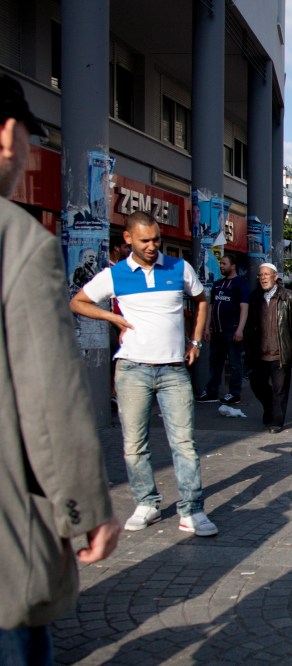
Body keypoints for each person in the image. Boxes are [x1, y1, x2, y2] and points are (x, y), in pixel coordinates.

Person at [0, 72, 121, 664]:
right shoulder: (17, 242)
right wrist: (87, 507)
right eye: (28, 138)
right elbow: (47, 398)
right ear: (6, 136)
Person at [71, 211, 218, 537]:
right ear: (128, 239)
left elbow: (201, 301)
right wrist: (115, 320)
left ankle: (192, 511)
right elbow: (78, 302)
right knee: (134, 445)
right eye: (145, 241)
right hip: (132, 370)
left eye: (156, 240)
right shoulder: (114, 275)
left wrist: (195, 341)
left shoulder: (179, 268)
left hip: (174, 370)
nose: (152, 246)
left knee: (185, 444)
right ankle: (147, 503)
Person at [244, 263, 292, 434]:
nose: (262, 278)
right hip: (259, 353)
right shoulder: (255, 297)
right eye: (260, 275)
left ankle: (276, 421)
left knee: (280, 389)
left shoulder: (289, 297)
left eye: (266, 274)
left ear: (275, 276)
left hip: (280, 353)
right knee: (257, 384)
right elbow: (251, 326)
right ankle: (270, 408)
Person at [197, 253, 251, 404]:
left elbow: (244, 308)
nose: (221, 266)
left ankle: (234, 393)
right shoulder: (217, 284)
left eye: (224, 263)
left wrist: (240, 329)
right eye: (221, 263)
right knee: (215, 362)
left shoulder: (241, 285)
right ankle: (212, 392)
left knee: (234, 363)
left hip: (232, 329)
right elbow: (211, 307)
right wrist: (207, 327)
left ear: (233, 266)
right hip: (217, 330)